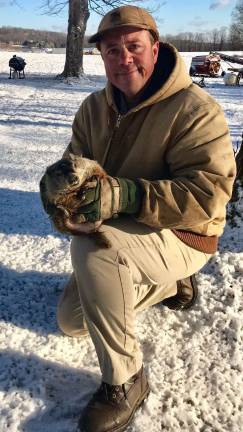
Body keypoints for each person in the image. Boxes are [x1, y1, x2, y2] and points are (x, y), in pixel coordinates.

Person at [55, 6, 236, 432]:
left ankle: (126, 380)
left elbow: (210, 194)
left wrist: (125, 194)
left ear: (155, 48)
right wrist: (63, 203)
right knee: (71, 322)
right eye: (112, 50)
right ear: (102, 56)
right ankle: (170, 285)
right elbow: (73, 167)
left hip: (185, 235)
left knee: (96, 249)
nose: (124, 59)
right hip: (131, 232)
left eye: (134, 47)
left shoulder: (195, 108)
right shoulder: (93, 108)